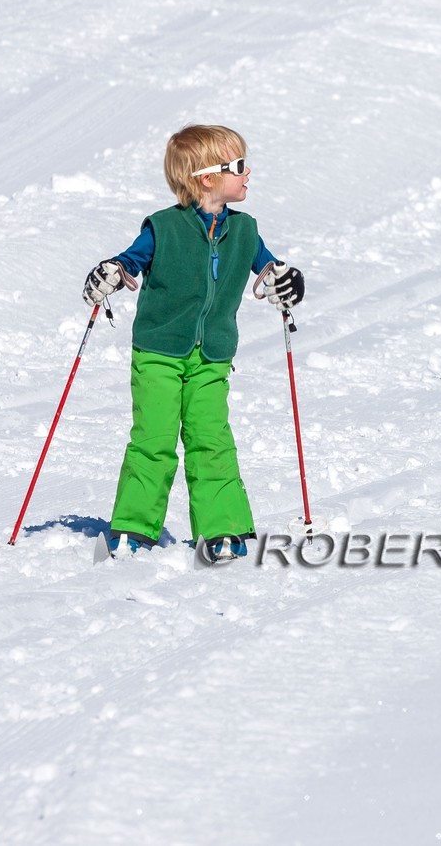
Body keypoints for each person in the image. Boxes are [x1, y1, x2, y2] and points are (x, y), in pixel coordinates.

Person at [81, 124, 306, 559]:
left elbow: (268, 267)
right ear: (207, 178)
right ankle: (133, 526)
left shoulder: (244, 231)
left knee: (211, 439)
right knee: (154, 438)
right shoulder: (163, 227)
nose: (247, 173)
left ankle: (224, 528)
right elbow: (131, 260)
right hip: (159, 353)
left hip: (212, 355)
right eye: (238, 166)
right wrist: (110, 270)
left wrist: (284, 280)